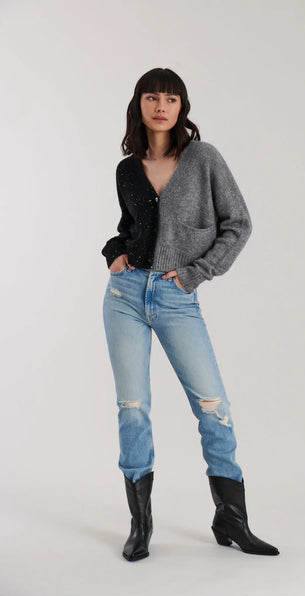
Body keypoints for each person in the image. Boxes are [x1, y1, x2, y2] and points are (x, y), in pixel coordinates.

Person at [101, 67, 279, 561]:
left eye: (171, 98)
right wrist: (113, 252)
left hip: (176, 296)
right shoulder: (127, 168)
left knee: (213, 407)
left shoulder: (203, 158)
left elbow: (238, 224)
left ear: (182, 107)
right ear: (138, 104)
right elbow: (130, 227)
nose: (161, 106)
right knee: (133, 408)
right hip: (125, 296)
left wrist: (197, 273)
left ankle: (232, 519)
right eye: (152, 97)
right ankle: (140, 525)